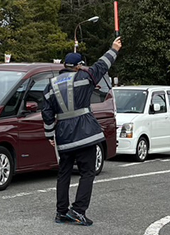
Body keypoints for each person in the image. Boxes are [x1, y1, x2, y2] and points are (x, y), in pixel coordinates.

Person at [41, 36, 122, 226]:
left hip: (63, 136)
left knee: (64, 174)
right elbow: (103, 65)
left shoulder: (50, 85)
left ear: (64, 65)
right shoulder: (85, 77)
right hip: (85, 134)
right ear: (78, 66)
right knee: (87, 172)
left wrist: (49, 134)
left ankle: (61, 212)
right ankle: (78, 211)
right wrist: (114, 48)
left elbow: (46, 111)